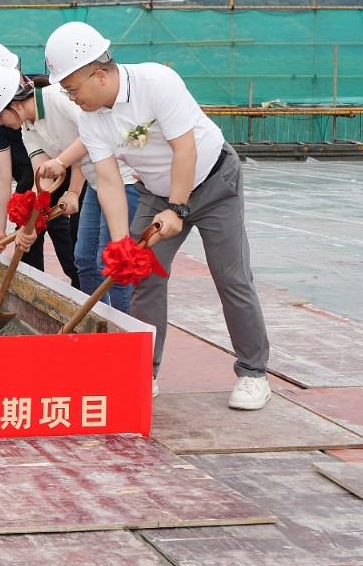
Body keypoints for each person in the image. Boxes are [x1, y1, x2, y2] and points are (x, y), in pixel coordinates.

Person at [41, 21, 272, 410]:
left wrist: (178, 208)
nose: (70, 97)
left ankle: (253, 373)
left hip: (215, 183)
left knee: (230, 276)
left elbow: (186, 150)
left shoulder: (157, 82)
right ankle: (142, 371)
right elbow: (111, 183)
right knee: (141, 275)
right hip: (153, 192)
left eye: (72, 89)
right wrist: (120, 246)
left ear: (99, 75)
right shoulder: (93, 117)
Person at [0, 63, 85, 289]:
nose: (1, 124)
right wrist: (28, 224)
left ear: (14, 105)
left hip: (110, 176)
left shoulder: (56, 99)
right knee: (85, 257)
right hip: (86, 174)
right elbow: (42, 180)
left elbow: (91, 137)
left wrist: (73, 191)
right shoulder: (27, 128)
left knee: (86, 255)